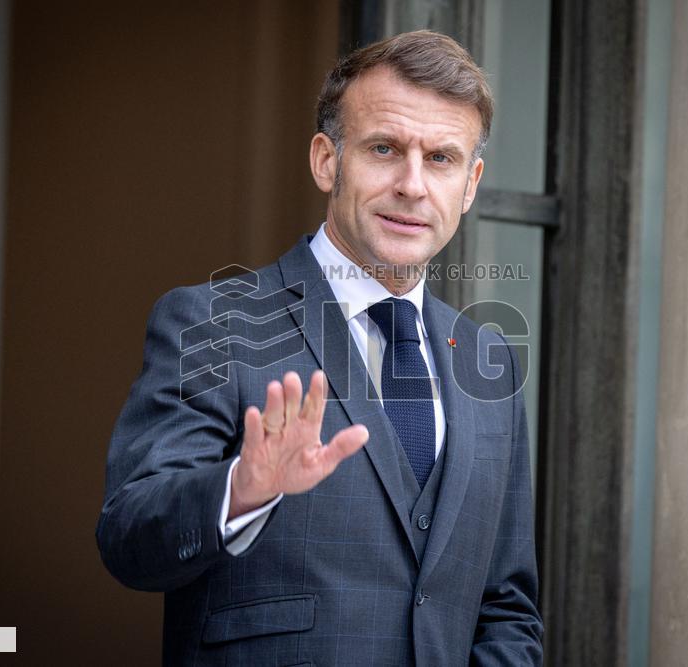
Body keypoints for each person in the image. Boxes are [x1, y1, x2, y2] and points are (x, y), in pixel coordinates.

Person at [97, 30, 542, 665]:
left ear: (469, 186)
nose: (413, 186)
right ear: (326, 160)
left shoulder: (489, 362)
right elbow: (128, 536)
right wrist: (240, 490)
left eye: (441, 159)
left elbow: (507, 607)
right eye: (385, 149)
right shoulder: (213, 321)